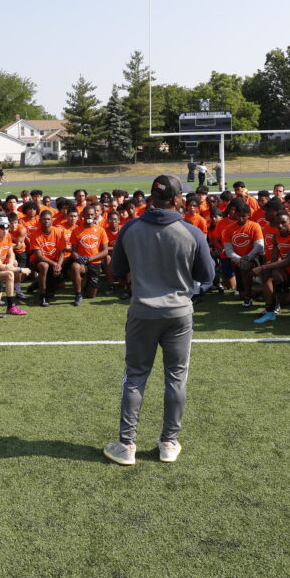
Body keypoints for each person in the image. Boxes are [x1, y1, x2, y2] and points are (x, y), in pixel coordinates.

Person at [103, 175, 214, 466]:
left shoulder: (131, 228)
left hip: (143, 311)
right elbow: (208, 276)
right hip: (178, 312)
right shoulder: (191, 232)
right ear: (177, 200)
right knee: (176, 378)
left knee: (135, 376)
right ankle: (169, 441)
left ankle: (126, 444)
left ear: (152, 198)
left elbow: (117, 268)